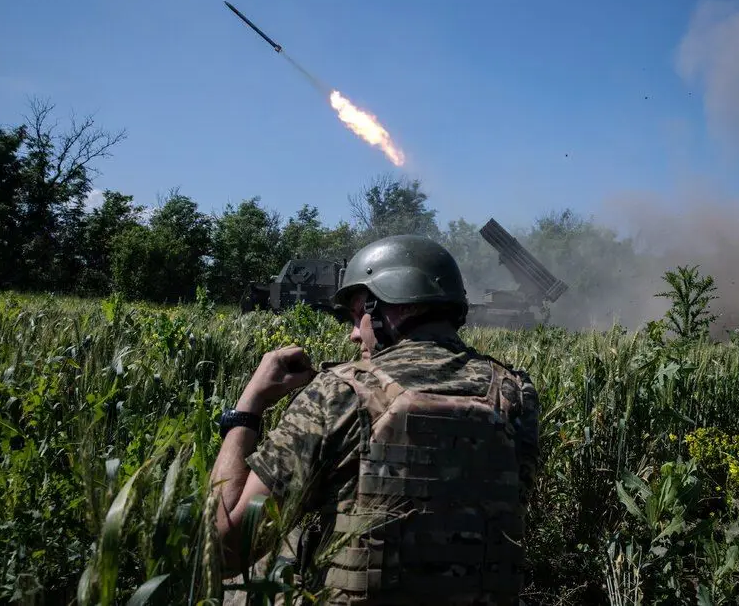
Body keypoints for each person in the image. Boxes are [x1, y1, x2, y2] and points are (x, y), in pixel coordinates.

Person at [210, 234, 541, 605]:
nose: (354, 335)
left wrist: (248, 407)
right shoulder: (516, 393)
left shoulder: (337, 392)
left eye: (357, 316)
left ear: (392, 305)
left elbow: (223, 549)